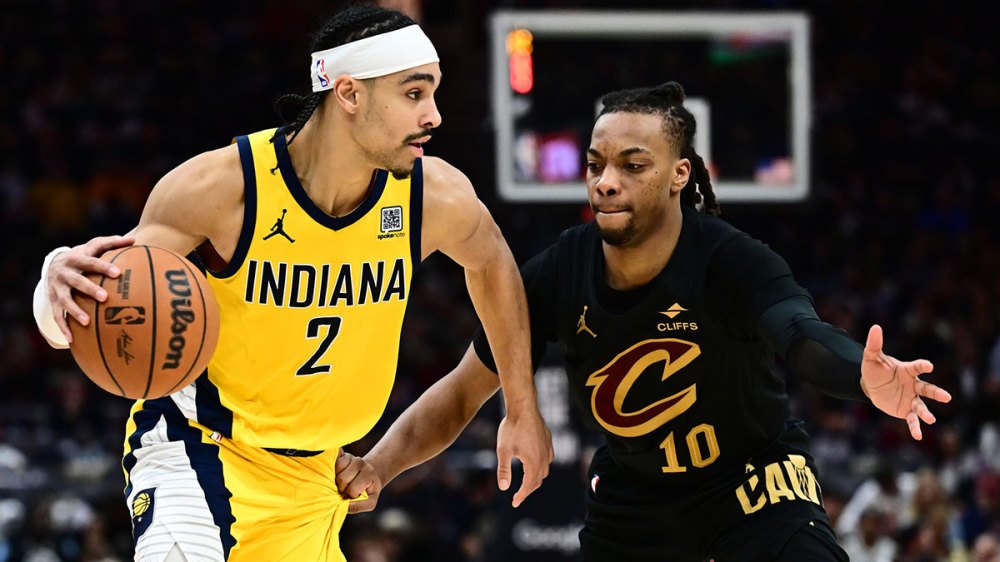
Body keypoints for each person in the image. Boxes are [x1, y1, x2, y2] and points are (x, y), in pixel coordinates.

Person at [347, 81, 953, 561]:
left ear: (679, 175)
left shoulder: (730, 260)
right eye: (596, 164)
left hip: (751, 479)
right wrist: (378, 465)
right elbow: (461, 393)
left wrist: (861, 377)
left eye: (633, 166)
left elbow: (801, 337)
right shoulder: (560, 270)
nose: (606, 182)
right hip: (637, 496)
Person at [30, 5, 552, 561]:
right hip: (200, 451)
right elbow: (100, 307)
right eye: (414, 94)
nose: (434, 116)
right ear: (349, 94)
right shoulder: (220, 188)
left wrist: (521, 405)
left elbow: (493, 263)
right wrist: (53, 281)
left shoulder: (432, 196)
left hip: (317, 480)